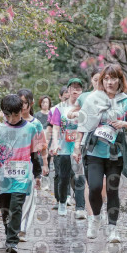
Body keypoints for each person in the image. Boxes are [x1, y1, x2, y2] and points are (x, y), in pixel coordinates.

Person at [73, 64, 127, 243]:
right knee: (94, 187)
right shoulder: (93, 99)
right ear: (102, 81)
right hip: (94, 150)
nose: (110, 82)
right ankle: (95, 218)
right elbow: (82, 124)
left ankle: (112, 229)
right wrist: (77, 146)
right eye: (106, 79)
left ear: (120, 80)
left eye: (114, 78)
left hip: (115, 154)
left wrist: (123, 124)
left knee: (112, 191)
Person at [0, 95, 46, 253]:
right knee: (5, 207)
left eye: (16, 115)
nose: (12, 119)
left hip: (22, 176)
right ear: (3, 113)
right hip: (3, 177)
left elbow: (35, 154)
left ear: (22, 110)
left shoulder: (30, 129)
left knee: (16, 207)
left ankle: (12, 241)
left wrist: (37, 174)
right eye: (8, 115)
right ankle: (9, 233)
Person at [68, 67, 107, 222]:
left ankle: (98, 208)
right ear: (91, 80)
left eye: (101, 79)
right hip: (87, 142)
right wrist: (76, 114)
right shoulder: (85, 97)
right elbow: (71, 113)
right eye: (96, 79)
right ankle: (91, 215)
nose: (98, 83)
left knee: (103, 182)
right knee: (89, 181)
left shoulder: (110, 97)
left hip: (105, 142)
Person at [50, 79, 87, 219]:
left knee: (79, 176)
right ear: (69, 90)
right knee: (64, 177)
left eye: (78, 88)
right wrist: (55, 144)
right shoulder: (60, 108)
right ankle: (62, 202)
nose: (76, 90)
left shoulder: (85, 107)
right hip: (63, 146)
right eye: (73, 88)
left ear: (82, 91)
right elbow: (56, 127)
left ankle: (80, 208)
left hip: (79, 146)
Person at [16, 89, 49, 242]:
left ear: (31, 103)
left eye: (25, 102)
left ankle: (22, 229)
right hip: (12, 164)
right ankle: (13, 226)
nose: (22, 106)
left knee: (28, 197)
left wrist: (44, 164)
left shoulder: (36, 124)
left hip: (29, 164)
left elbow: (42, 146)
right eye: (20, 102)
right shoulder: (10, 121)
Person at [48, 86, 69, 210]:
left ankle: (67, 197)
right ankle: (58, 199)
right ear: (60, 96)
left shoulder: (76, 108)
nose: (67, 97)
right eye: (64, 95)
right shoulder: (54, 109)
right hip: (58, 145)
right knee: (58, 173)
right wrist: (51, 144)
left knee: (71, 173)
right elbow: (51, 129)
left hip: (71, 145)